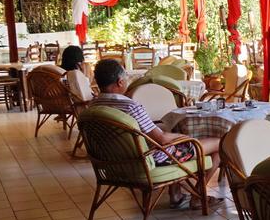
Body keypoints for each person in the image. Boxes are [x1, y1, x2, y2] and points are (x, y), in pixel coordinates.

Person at [90, 58, 222, 210]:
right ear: (120, 82)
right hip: (150, 161)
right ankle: (198, 196)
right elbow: (162, 139)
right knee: (219, 143)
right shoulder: (130, 107)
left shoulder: (93, 107)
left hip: (113, 165)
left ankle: (176, 195)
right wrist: (188, 138)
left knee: (174, 136)